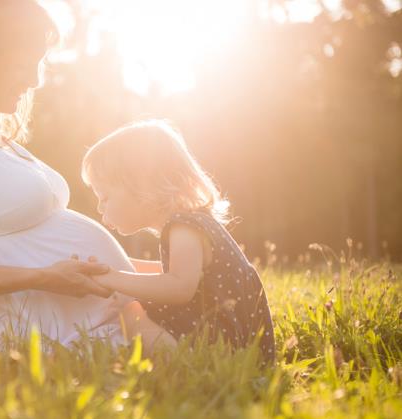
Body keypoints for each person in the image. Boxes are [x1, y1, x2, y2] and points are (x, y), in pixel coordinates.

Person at [0, 0, 171, 353]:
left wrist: (172, 272)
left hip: (96, 329)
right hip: (24, 345)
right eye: (26, 62)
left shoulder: (1, 144)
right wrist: (45, 278)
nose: (35, 79)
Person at [78, 120, 276, 361]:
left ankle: (180, 365)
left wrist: (113, 279)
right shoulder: (192, 222)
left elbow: (179, 286)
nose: (99, 207)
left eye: (105, 196)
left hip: (216, 350)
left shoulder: (183, 226)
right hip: (230, 344)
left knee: (130, 314)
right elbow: (177, 274)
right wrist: (117, 264)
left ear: (140, 185)